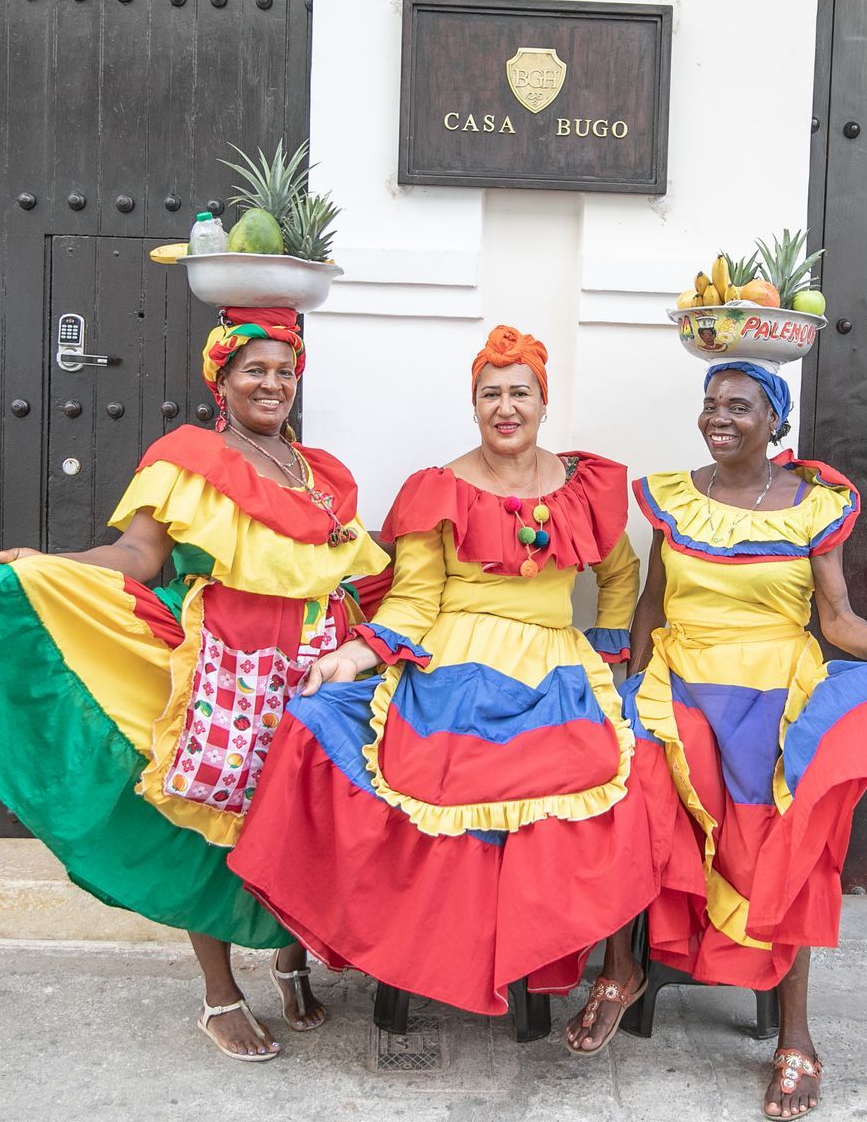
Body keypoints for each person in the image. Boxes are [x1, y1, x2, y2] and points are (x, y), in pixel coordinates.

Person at [0, 308, 387, 1063]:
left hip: (313, 672)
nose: (272, 384)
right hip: (228, 669)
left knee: (303, 820)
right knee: (204, 828)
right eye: (255, 370)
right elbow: (138, 555)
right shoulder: (185, 459)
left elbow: (364, 571)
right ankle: (219, 996)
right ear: (222, 378)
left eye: (284, 371)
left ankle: (290, 957)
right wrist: (51, 564)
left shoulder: (321, 476)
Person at [563, 359, 867, 1119]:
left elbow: (836, 619)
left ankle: (797, 1038)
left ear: (774, 421)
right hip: (678, 682)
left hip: (773, 691)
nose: (719, 417)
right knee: (627, 783)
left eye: (738, 406)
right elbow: (653, 600)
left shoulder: (813, 507)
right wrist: (629, 681)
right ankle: (621, 970)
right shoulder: (676, 499)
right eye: (710, 403)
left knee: (791, 836)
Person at [230, 325, 656, 1017]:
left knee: (625, 764)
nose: (505, 407)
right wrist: (357, 653)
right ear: (474, 405)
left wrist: (608, 657)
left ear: (544, 402)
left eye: (520, 392)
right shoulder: (438, 488)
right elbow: (415, 598)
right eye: (491, 394)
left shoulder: (584, 485)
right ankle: (351, 938)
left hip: (553, 659)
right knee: (315, 722)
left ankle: (589, 960)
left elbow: (619, 574)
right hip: (452, 658)